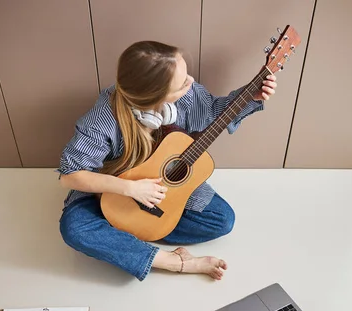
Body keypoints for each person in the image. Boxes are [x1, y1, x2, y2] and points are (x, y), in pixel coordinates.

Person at [57, 40, 277, 282]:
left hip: (163, 183)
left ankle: (123, 238)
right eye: (182, 84)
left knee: (222, 219)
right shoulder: (102, 119)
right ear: (155, 96)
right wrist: (131, 188)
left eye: (186, 75)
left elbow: (214, 112)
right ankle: (173, 261)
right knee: (74, 228)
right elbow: (70, 176)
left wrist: (251, 96)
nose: (191, 82)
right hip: (107, 190)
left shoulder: (188, 95)